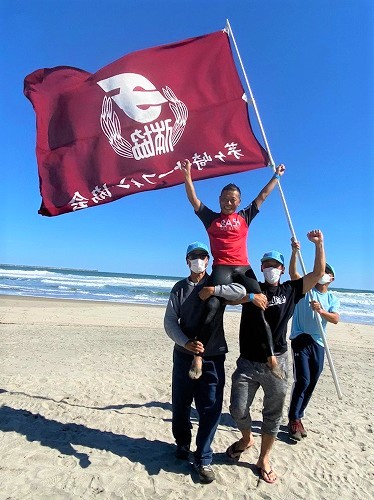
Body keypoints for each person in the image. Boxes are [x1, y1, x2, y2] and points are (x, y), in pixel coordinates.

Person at [226, 230, 325, 484]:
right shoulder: (252, 287)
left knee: (273, 415)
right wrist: (249, 296)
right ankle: (247, 438)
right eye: (267, 264)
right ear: (261, 268)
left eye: (275, 265)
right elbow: (231, 288)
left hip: (278, 363)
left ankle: (264, 459)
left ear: (282, 269)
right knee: (237, 409)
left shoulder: (291, 290)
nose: (271, 268)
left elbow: (316, 274)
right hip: (248, 361)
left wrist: (318, 245)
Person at [181, 158, 286, 381]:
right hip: (222, 267)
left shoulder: (244, 217)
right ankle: (199, 356)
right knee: (211, 305)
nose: (229, 202)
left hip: (243, 267)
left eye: (233, 200)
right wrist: (187, 175)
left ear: (239, 202)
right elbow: (194, 200)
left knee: (260, 305)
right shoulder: (211, 218)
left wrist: (276, 176)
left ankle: (271, 358)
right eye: (226, 199)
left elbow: (263, 196)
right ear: (219, 200)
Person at [164, 241, 246, 484]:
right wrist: (186, 342)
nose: (198, 260)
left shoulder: (217, 282)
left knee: (210, 408)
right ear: (187, 261)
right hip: (183, 355)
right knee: (180, 405)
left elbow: (241, 293)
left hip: (213, 356)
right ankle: (182, 442)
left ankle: (203, 457)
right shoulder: (179, 288)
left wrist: (215, 291)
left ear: (208, 261)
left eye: (202, 256)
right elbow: (169, 322)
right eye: (193, 256)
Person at [287, 239, 340, 441]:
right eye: (321, 270)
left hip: (319, 342)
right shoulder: (306, 288)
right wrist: (294, 252)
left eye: (327, 272)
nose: (323, 273)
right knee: (303, 379)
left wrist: (321, 310)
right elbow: (293, 274)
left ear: (331, 278)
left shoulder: (332, 297)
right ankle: (293, 419)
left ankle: (299, 416)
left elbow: (335, 318)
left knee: (312, 382)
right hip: (300, 338)